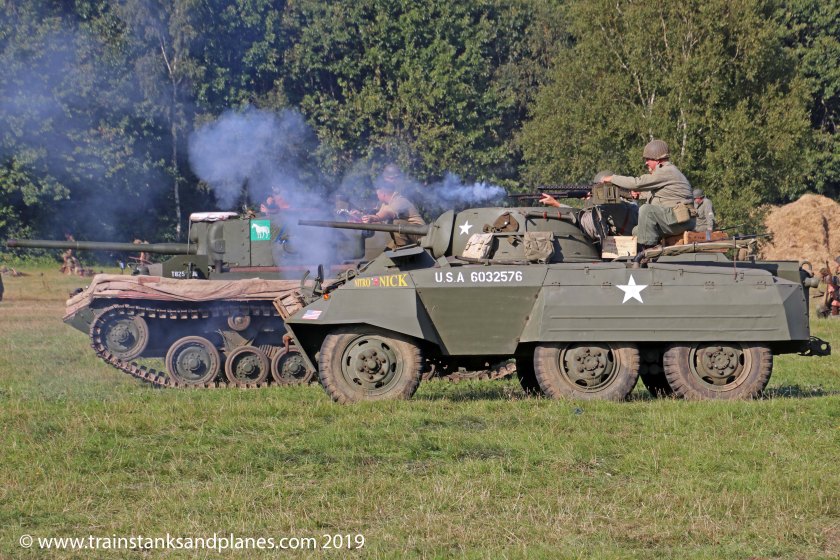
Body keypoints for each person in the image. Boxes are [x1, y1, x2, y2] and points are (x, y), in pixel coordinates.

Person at [600, 139, 695, 253]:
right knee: (637, 231)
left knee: (646, 210)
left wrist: (612, 178)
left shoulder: (666, 171)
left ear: (657, 159)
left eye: (648, 159)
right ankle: (651, 249)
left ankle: (648, 253)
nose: (646, 163)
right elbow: (659, 194)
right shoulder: (668, 172)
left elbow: (637, 183)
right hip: (676, 219)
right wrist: (638, 195)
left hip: (680, 220)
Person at [362, 164, 426, 248]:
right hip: (404, 233)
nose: (376, 195)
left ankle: (402, 251)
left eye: (378, 193)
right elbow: (379, 213)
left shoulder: (400, 199)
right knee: (386, 252)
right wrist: (362, 215)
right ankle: (399, 248)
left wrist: (375, 217)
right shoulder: (386, 202)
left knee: (397, 223)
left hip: (420, 235)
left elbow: (388, 212)